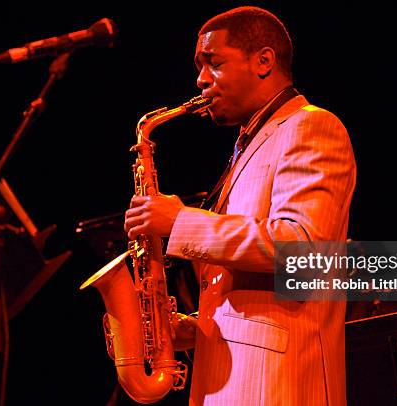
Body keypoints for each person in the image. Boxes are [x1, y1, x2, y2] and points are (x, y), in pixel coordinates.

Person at [124, 6, 356, 406]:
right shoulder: (249, 142)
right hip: (236, 382)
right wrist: (200, 330)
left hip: (278, 386)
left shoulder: (311, 126)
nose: (200, 79)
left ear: (264, 61)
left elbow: (304, 248)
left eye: (213, 63)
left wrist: (180, 222)